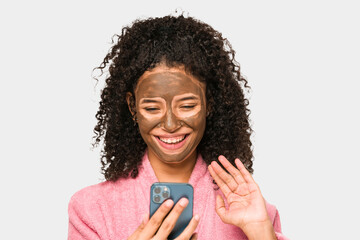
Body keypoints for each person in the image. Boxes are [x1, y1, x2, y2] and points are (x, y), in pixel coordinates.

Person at [68, 14, 288, 240]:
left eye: (187, 105)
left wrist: (262, 233)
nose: (170, 125)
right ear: (132, 108)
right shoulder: (92, 210)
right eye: (152, 108)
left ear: (208, 104)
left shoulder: (251, 211)